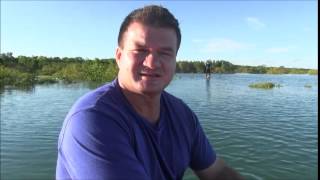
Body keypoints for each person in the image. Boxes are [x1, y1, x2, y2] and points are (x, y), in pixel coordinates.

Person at [56, 5, 244, 180]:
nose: (152, 63)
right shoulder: (91, 120)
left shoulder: (182, 116)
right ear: (119, 57)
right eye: (140, 50)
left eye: (164, 53)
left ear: (174, 61)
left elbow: (217, 171)